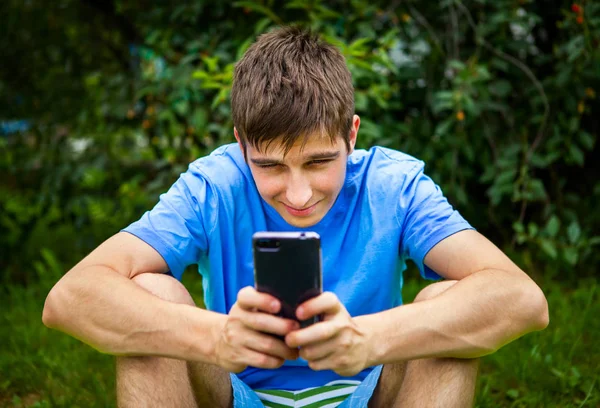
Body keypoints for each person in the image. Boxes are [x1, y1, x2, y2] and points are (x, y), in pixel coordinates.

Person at [42, 26, 549, 408]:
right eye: (269, 167)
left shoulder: (393, 185)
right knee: (152, 295)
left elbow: (521, 300)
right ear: (242, 145)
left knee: (447, 303)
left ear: (351, 135)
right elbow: (70, 298)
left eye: (320, 162)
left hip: (369, 389)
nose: (299, 195)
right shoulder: (215, 184)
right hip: (237, 391)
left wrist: (369, 339)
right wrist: (213, 338)